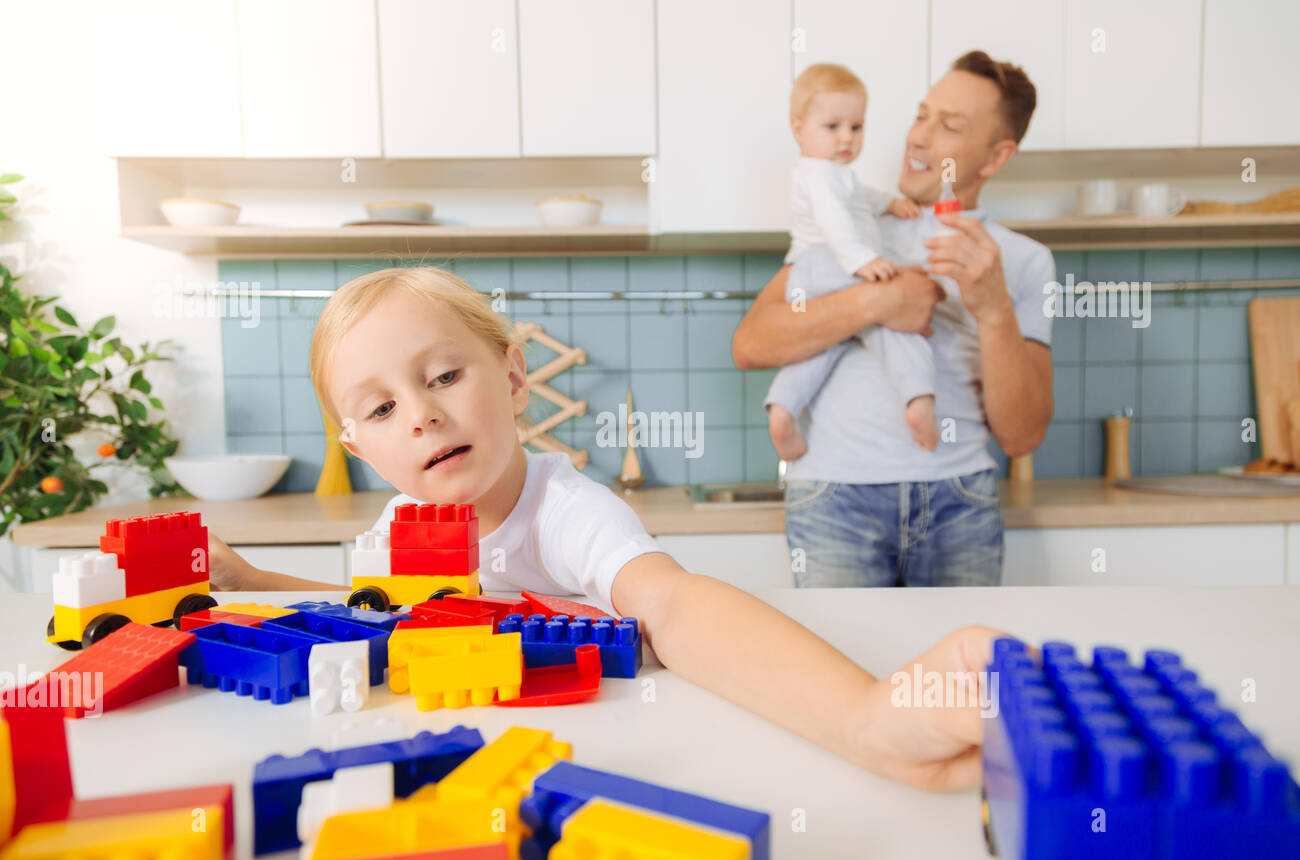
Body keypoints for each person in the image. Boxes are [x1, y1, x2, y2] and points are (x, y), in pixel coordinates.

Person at [207, 265, 1002, 790]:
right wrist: (247, 581)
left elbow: (677, 606)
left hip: (612, 757)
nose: (423, 415)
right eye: (381, 409)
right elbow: (364, 610)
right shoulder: (399, 526)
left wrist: (866, 719)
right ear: (357, 446)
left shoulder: (565, 510)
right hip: (476, 762)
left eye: (444, 375)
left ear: (515, 379)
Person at [734, 50, 1056, 589]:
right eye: (921, 114)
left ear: (996, 156)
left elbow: (1022, 435)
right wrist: (879, 302)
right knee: (843, 671)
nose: (919, 138)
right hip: (835, 500)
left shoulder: (1021, 260)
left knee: (965, 674)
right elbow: (752, 343)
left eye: (949, 126)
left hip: (960, 501)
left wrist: (994, 310)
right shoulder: (852, 232)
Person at [766, 63, 934, 463]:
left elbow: (861, 198)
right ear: (798, 129)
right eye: (833, 126)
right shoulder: (819, 174)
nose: (847, 137)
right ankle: (919, 398)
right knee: (895, 324)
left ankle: (783, 408)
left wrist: (890, 203)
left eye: (856, 127)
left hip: (814, 271)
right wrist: (864, 261)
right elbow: (834, 221)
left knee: (822, 345)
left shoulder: (835, 174)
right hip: (830, 263)